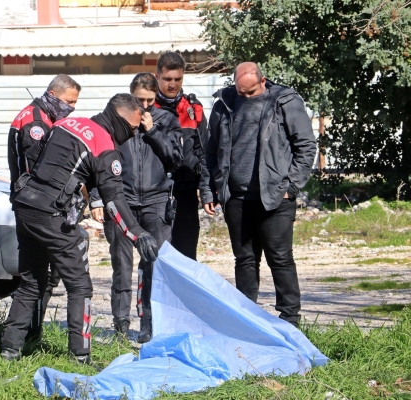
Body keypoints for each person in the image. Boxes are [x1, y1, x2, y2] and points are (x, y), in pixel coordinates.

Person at [0, 94, 160, 363]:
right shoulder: (105, 145)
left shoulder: (68, 123)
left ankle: (9, 349)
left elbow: (34, 158)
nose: (133, 135)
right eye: (132, 128)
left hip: (25, 207)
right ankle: (80, 357)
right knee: (80, 286)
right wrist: (137, 234)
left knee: (31, 282)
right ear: (119, 118)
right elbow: (114, 200)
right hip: (51, 215)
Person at [200, 62, 316, 327]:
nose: (246, 97)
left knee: (281, 258)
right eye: (242, 92)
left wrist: (292, 186)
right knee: (244, 260)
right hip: (236, 199)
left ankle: (290, 319)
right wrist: (209, 189)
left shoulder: (285, 101)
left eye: (251, 92)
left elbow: (306, 145)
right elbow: (210, 151)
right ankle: (247, 318)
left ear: (263, 81)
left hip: (275, 198)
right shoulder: (224, 105)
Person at [90, 73, 182, 343]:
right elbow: (96, 160)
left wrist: (152, 130)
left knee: (153, 264)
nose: (144, 106)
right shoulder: (113, 121)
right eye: (139, 100)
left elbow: (176, 159)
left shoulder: (166, 120)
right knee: (121, 264)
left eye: (149, 100)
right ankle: (120, 325)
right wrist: (97, 198)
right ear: (130, 94)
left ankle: (148, 323)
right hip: (122, 201)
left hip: (156, 202)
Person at [7, 74, 81, 341]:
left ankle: (22, 339)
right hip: (37, 207)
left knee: (40, 279)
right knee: (39, 279)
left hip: (33, 205)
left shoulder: (45, 116)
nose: (71, 108)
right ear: (53, 94)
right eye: (69, 101)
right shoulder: (35, 121)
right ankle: (27, 335)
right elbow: (40, 165)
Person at [154, 52, 208, 261]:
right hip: (155, 193)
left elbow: (205, 152)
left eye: (178, 79)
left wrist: (206, 190)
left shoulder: (193, 109)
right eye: (167, 79)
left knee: (186, 255)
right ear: (157, 76)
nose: (172, 84)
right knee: (158, 256)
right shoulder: (147, 108)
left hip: (185, 191)